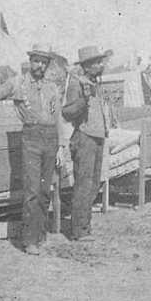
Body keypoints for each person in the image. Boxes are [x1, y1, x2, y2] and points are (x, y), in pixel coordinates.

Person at [0, 43, 66, 255]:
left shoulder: (52, 87)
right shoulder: (18, 83)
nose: (39, 65)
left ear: (47, 65)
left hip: (51, 139)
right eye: (36, 61)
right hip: (31, 139)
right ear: (30, 61)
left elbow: (58, 117)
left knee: (45, 190)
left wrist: (61, 146)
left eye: (44, 62)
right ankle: (29, 240)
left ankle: (40, 235)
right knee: (32, 190)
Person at [62, 45, 113, 242]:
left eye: (100, 62)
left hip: (97, 138)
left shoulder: (94, 83)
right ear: (86, 66)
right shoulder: (77, 84)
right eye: (97, 63)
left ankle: (85, 225)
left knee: (93, 185)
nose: (101, 65)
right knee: (84, 185)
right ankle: (79, 231)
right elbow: (67, 113)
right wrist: (83, 99)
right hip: (84, 138)